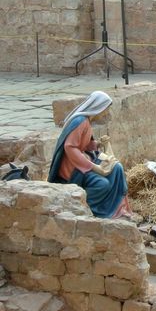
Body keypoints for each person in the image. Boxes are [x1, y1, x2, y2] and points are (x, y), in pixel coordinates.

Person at [47, 91, 131, 219]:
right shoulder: (80, 121)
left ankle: (117, 208)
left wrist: (97, 144)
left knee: (117, 168)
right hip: (74, 168)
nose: (106, 113)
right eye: (106, 110)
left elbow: (83, 144)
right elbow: (70, 147)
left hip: (84, 161)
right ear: (99, 107)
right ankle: (91, 211)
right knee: (102, 185)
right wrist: (94, 167)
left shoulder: (86, 121)